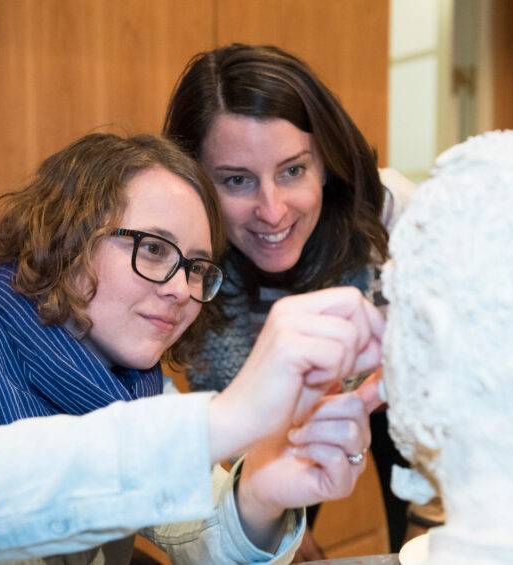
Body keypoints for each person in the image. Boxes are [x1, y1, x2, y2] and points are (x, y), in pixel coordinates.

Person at [0, 133, 385, 564]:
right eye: (152, 247)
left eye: (195, 266)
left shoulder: (138, 388)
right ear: (64, 238)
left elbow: (200, 538)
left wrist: (262, 489)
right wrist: (228, 418)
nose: (178, 288)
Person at [163, 43, 417, 558]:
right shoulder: (181, 264)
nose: (272, 210)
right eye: (237, 180)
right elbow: (223, 427)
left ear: (325, 162)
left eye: (292, 171)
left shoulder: (393, 215)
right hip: (280, 417)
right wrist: (272, 523)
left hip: (406, 396)